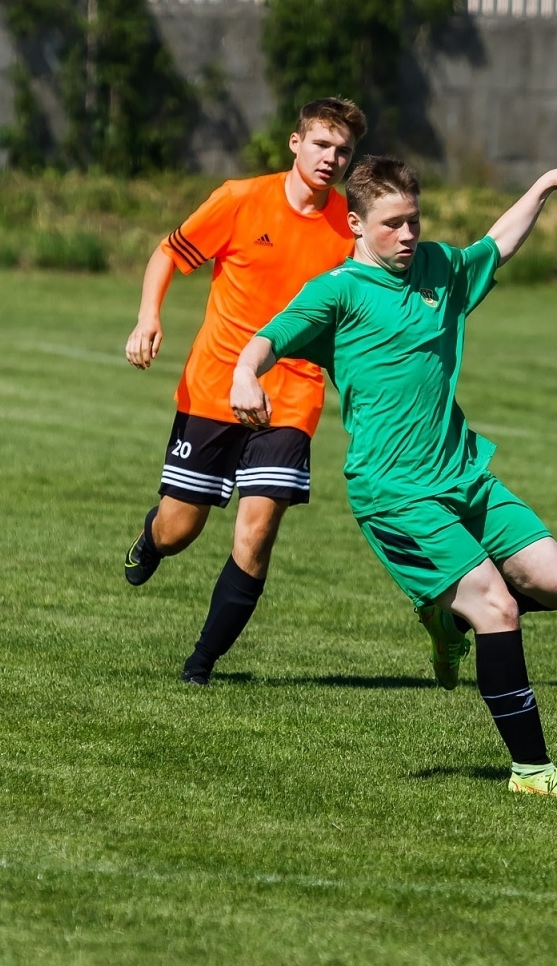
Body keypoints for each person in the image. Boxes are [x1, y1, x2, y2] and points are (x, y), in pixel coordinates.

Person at [229, 157, 557, 798]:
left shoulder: (438, 269)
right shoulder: (337, 292)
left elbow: (497, 245)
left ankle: (447, 623)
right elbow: (269, 339)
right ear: (355, 224)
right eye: (391, 223)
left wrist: (542, 185)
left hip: (461, 471)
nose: (407, 235)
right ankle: (532, 770)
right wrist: (243, 373)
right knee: (498, 607)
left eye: (413, 221)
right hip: (394, 490)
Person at [122, 98, 366, 685]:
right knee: (181, 528)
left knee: (255, 535)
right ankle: (152, 539)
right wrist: (147, 317)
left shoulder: (349, 226)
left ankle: (200, 664)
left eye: (343, 151)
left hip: (293, 396)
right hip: (213, 388)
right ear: (295, 143)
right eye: (321, 145)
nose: (331, 159)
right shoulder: (239, 199)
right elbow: (167, 252)